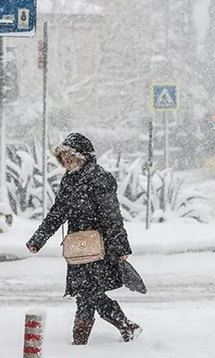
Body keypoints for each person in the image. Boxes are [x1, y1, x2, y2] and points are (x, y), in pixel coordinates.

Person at [26, 133, 142, 345]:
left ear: (84, 157)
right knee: (88, 294)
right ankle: (124, 326)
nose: (67, 162)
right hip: (78, 248)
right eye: (64, 158)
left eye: (71, 158)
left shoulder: (100, 178)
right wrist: (38, 240)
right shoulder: (68, 181)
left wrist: (121, 246)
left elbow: (112, 216)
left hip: (99, 247)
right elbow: (57, 213)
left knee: (88, 294)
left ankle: (80, 343)